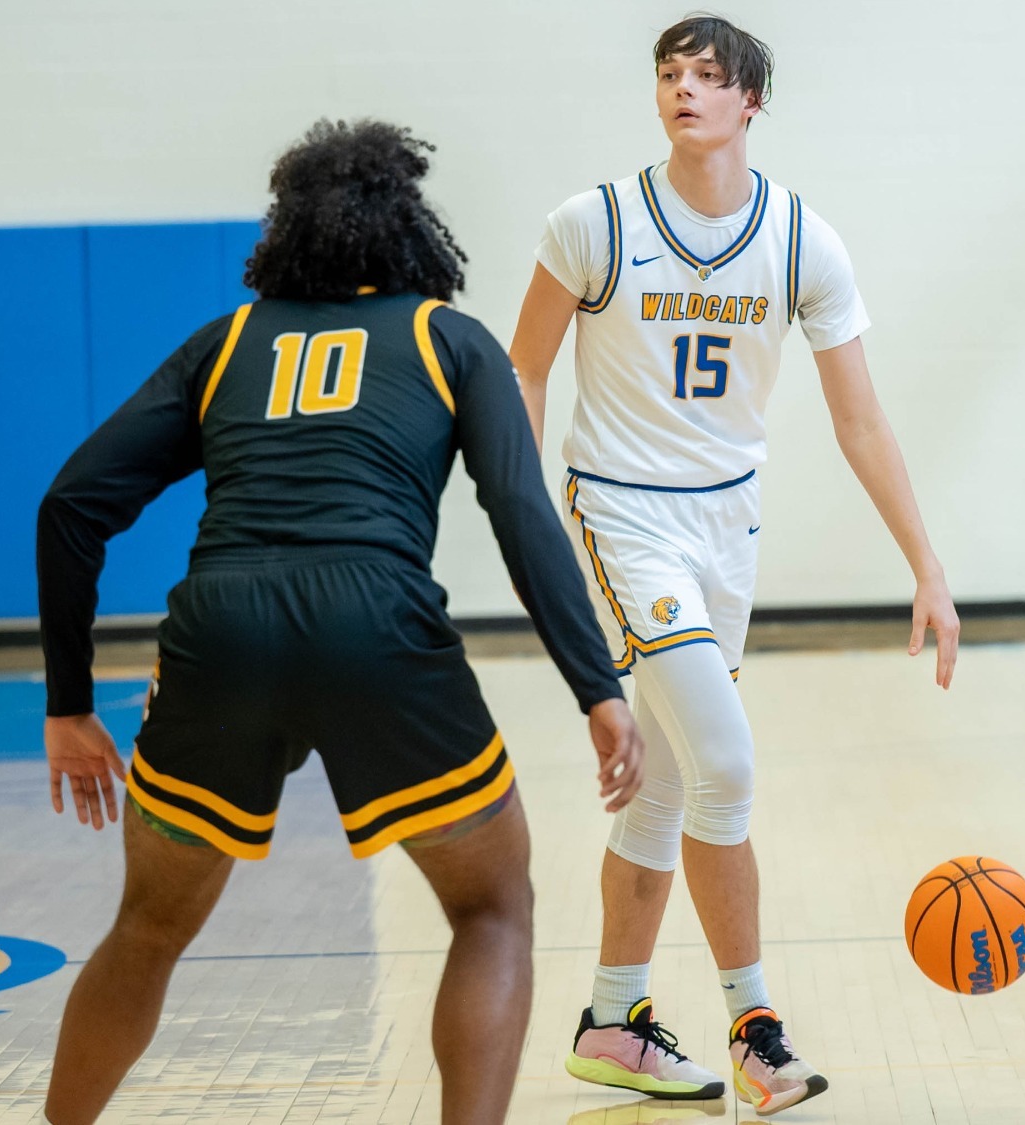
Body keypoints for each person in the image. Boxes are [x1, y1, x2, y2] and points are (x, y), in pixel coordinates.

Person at [36, 119, 644, 1125]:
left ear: (288, 232)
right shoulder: (446, 338)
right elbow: (521, 513)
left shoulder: (226, 342)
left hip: (219, 628)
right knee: (492, 908)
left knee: (146, 929)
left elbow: (70, 506)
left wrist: (67, 705)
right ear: (410, 227)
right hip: (376, 622)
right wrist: (596, 688)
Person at [508, 16, 960, 1116]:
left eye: (707, 78)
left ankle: (613, 1021)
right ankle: (754, 1026)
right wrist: (531, 524)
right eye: (669, 76)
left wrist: (926, 568)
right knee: (727, 762)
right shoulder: (594, 223)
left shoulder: (801, 239)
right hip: (619, 515)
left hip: (728, 528)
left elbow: (859, 421)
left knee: (666, 784)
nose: (683, 92)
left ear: (751, 100)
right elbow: (520, 372)